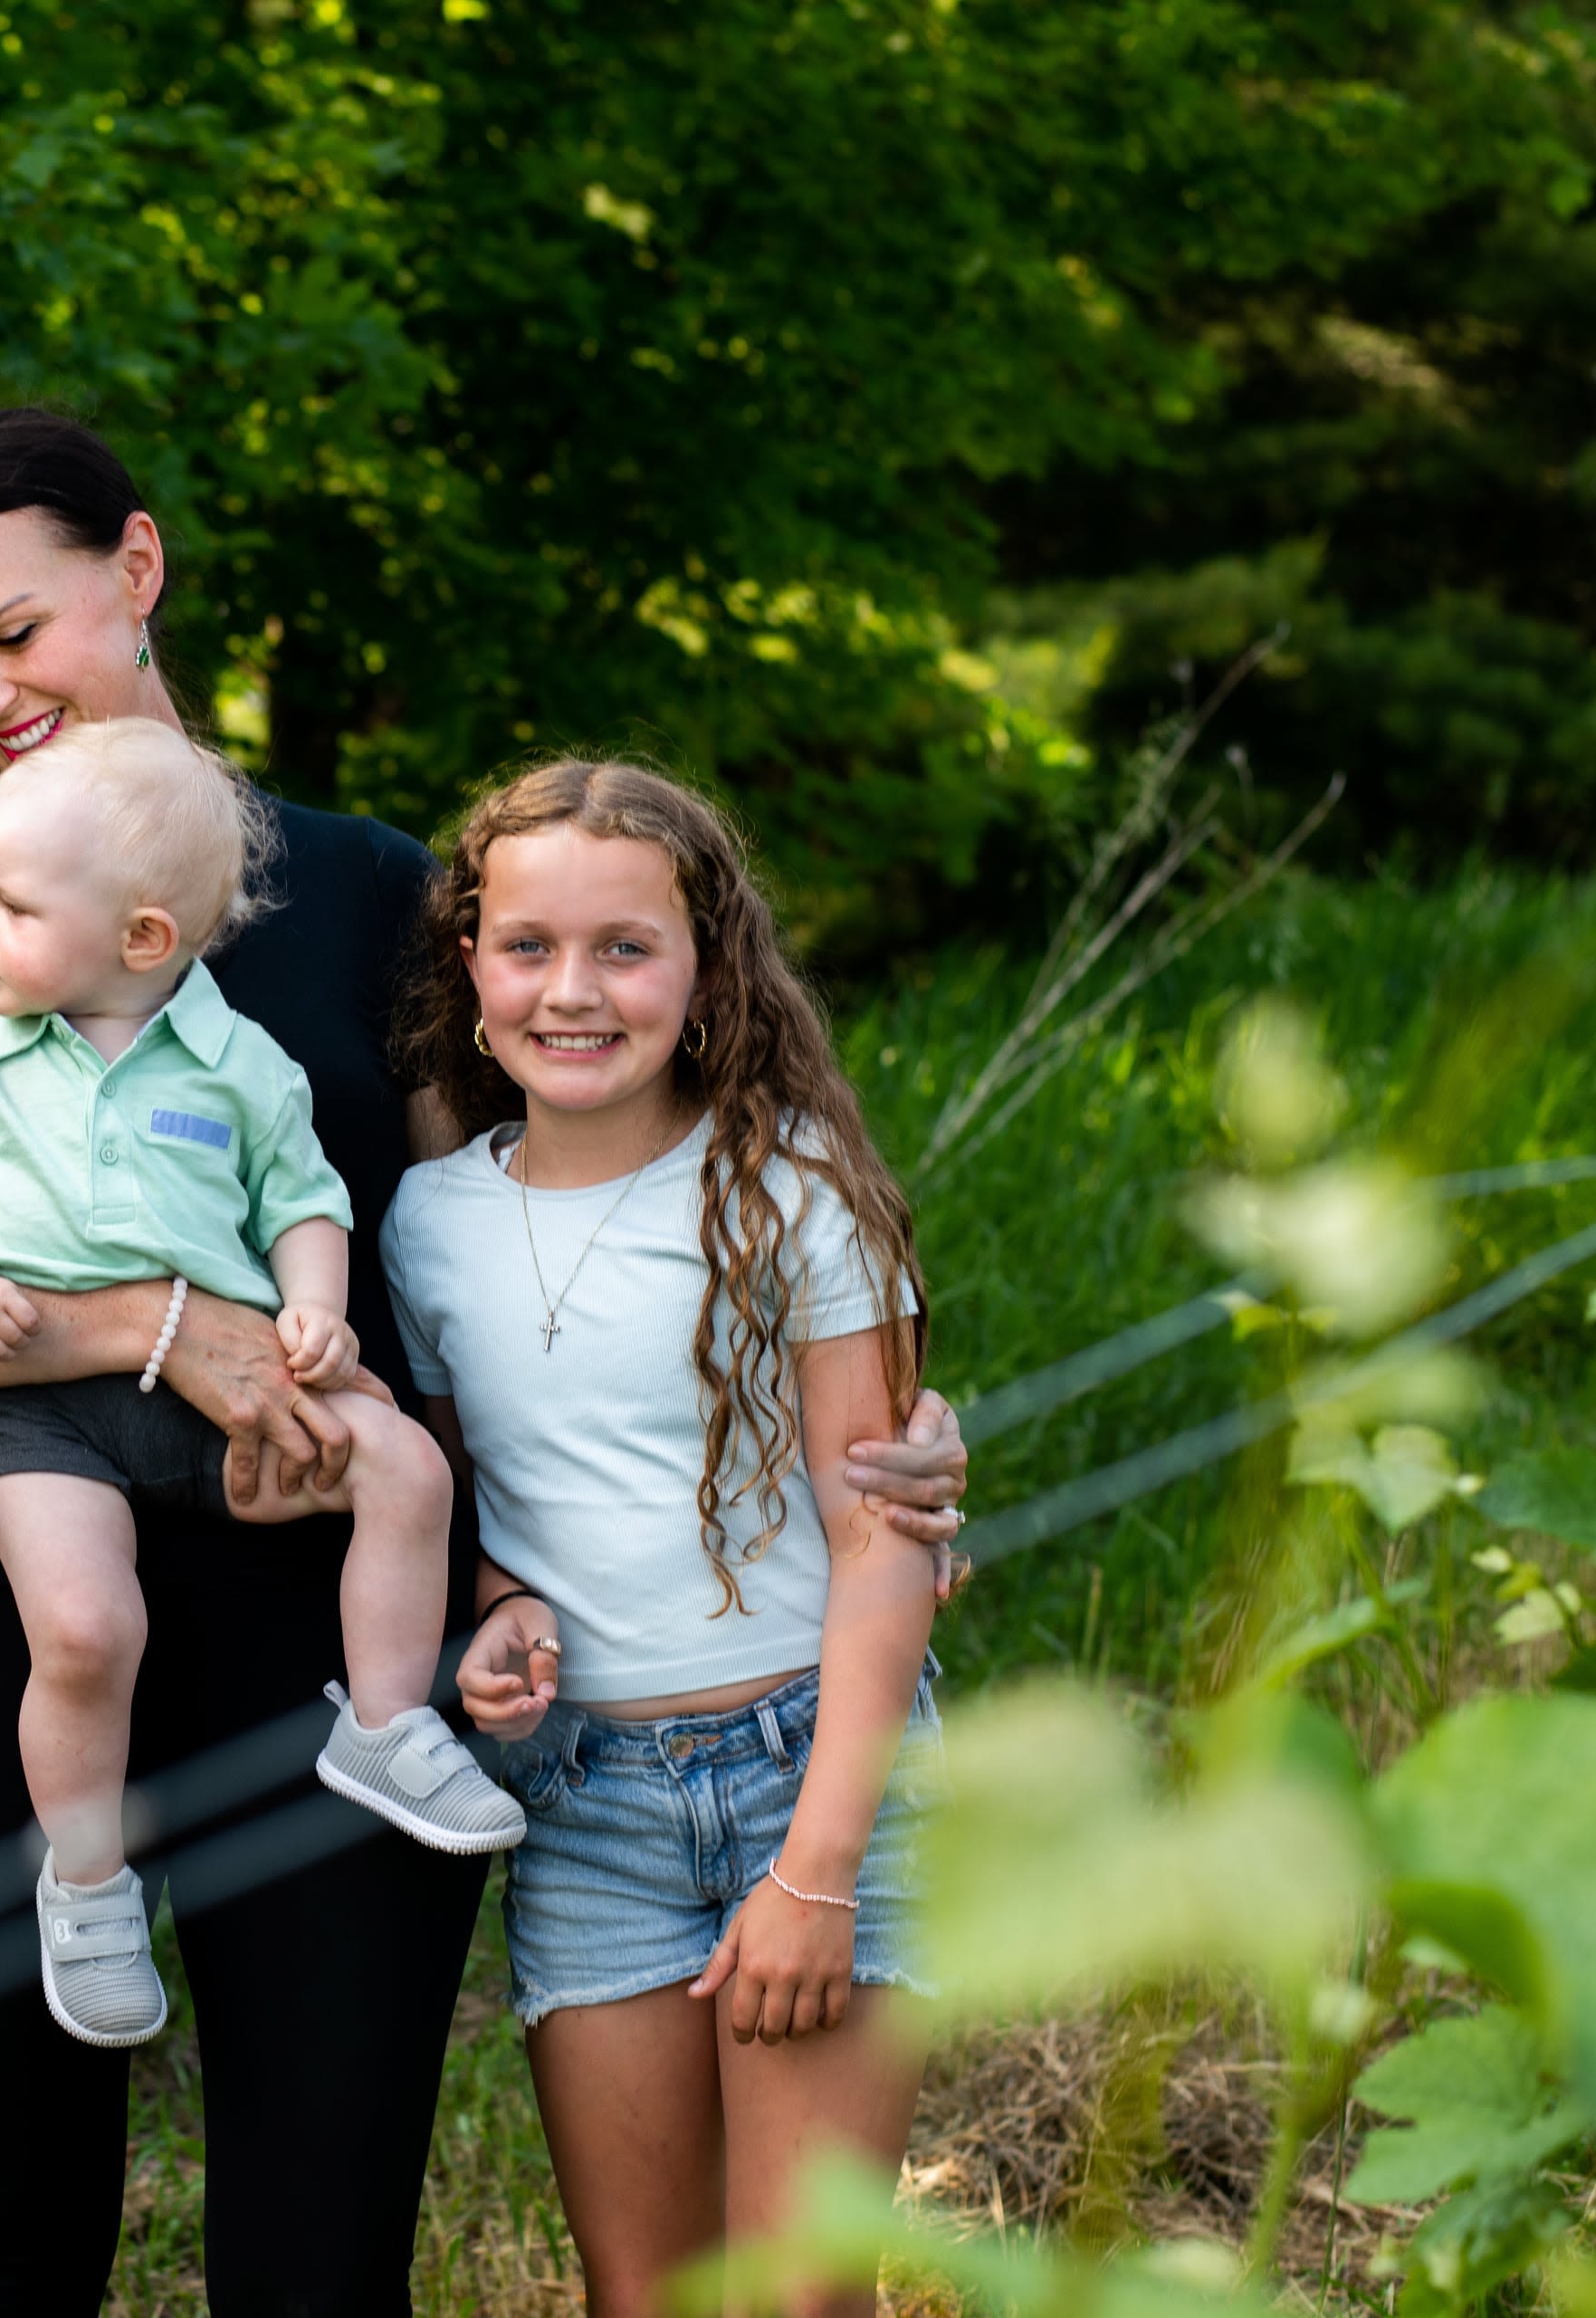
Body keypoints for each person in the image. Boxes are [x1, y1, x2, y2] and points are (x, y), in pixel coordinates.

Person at [0, 405, 972, 2312]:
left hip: (329, 1636)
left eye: (16, 629)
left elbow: (526, 1203)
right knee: (11, 2236)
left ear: (136, 570)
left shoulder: (376, 885)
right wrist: (165, 1331)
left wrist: (863, 1409)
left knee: (319, 2245)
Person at [0, 717, 517, 2048]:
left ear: (144, 940)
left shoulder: (244, 1065)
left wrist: (320, 1318)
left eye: (13, 908)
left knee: (407, 1466)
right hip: (34, 1401)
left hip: (227, 1393)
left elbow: (305, 1205)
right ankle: (89, 1882)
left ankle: (385, 1723)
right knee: (89, 1629)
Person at [394, 760, 942, 2318]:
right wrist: (495, 1608)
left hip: (809, 1771)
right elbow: (466, 1502)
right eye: (528, 947)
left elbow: (887, 1533)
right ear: (471, 965)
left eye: (625, 948)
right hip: (589, 1806)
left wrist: (819, 1868)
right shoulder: (428, 1222)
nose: (573, 991)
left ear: (707, 972)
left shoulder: (793, 1189)